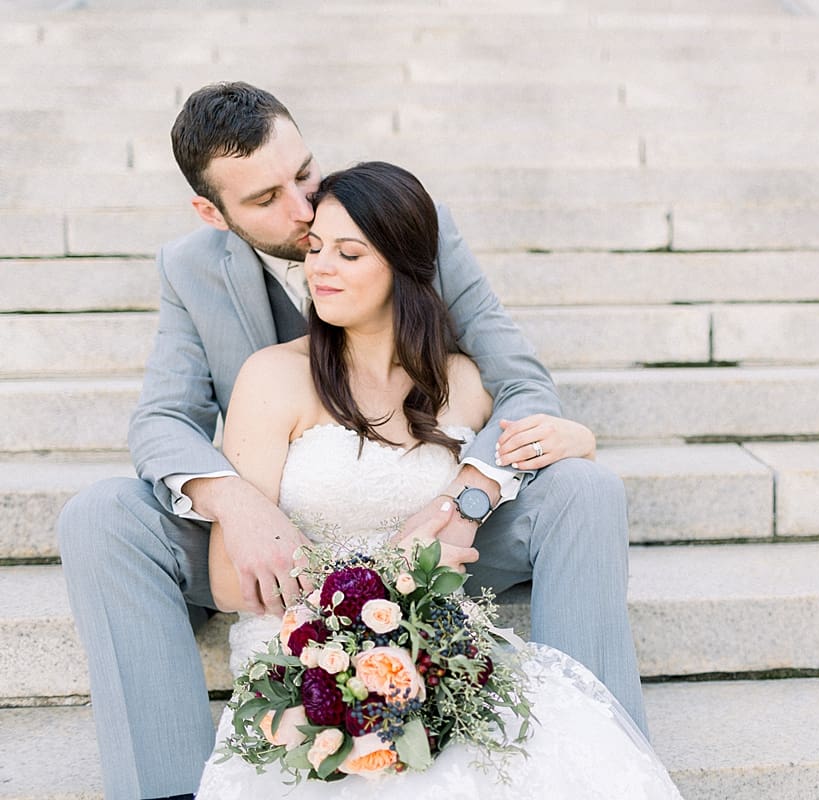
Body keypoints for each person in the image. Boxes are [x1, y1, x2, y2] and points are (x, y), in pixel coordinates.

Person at [56, 82, 644, 800]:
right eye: (266, 200)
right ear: (213, 213)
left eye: (302, 173)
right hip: (276, 545)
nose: (305, 212)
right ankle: (169, 788)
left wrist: (468, 495)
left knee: (584, 490)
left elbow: (522, 385)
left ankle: (597, 755)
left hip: (433, 530)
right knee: (102, 516)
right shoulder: (192, 270)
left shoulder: (402, 223)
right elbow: (160, 420)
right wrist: (235, 500)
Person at [194, 161, 680, 798]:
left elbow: (534, 448)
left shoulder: (465, 383)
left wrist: (579, 441)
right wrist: (371, 603)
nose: (319, 268)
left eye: (348, 252)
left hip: (434, 654)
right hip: (307, 660)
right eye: (315, 249)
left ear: (403, 265)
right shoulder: (272, 378)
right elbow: (231, 581)